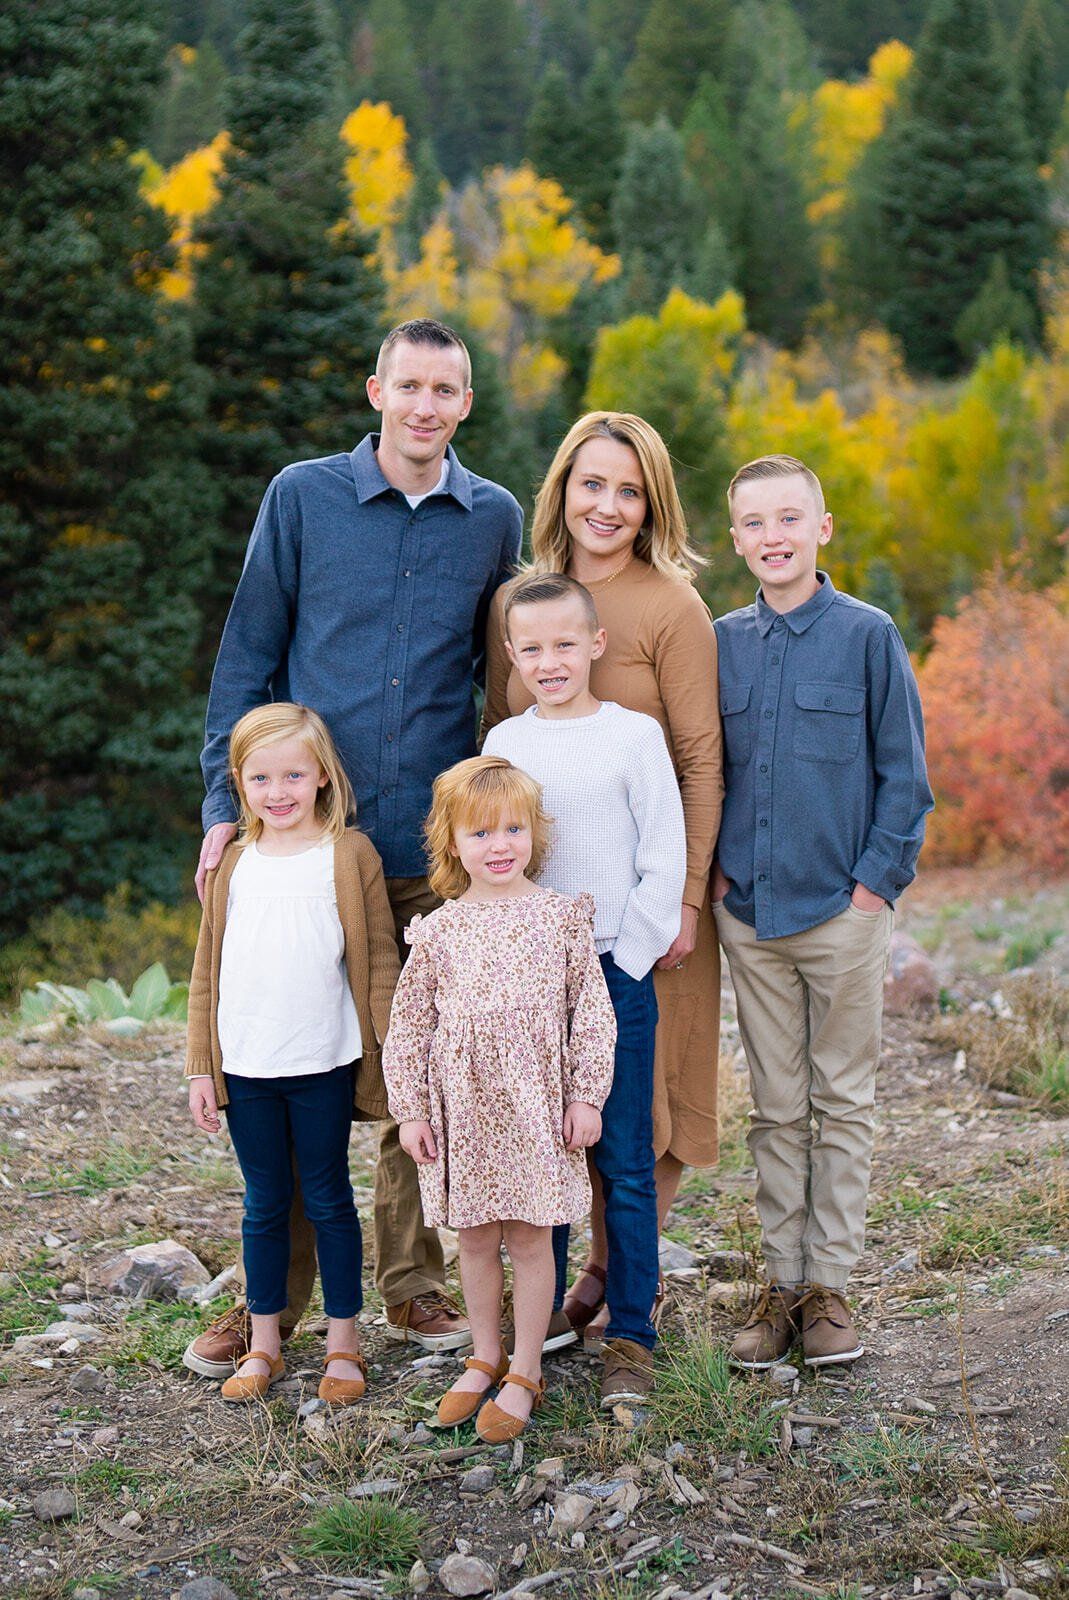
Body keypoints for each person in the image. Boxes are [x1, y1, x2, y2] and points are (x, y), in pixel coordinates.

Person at [183, 318, 523, 1378]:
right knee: (288, 1062)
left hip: (430, 848)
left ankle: (413, 1282)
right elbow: (247, 655)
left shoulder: (492, 517)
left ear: (465, 404)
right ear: (377, 390)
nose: (425, 406)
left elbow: (501, 679)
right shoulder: (303, 497)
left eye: (445, 390)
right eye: (408, 385)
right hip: (308, 848)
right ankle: (272, 1303)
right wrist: (223, 802)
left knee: (416, 1064)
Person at [483, 413, 722, 1347]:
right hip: (540, 928)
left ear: (652, 504)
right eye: (593, 484)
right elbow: (499, 760)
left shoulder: (670, 606)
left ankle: (626, 1290)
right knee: (558, 1102)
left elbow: (699, 760)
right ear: (562, 489)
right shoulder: (524, 600)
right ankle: (576, 1279)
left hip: (646, 910)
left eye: (630, 490)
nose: (609, 506)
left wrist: (684, 901)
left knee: (644, 1103)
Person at [713, 454, 933, 1370]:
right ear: (736, 539)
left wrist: (873, 888)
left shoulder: (867, 635)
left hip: (842, 913)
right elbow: (702, 768)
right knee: (774, 1107)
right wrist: (715, 879)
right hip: (749, 916)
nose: (773, 536)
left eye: (789, 518)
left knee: (841, 1101)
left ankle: (828, 1287)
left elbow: (904, 776)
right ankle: (780, 1283)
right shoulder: (719, 642)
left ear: (821, 528)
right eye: (754, 523)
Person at [483, 573, 686, 1407]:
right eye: (532, 648)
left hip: (613, 970)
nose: (550, 661)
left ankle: (630, 1330)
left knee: (624, 1159)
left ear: (595, 644)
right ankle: (543, 1327)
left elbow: (663, 854)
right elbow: (493, 855)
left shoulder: (632, 736)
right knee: (546, 1156)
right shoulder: (506, 744)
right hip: (530, 981)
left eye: (565, 644)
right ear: (511, 655)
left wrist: (627, 961)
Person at [382, 755, 616, 1440]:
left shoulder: (560, 918)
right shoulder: (438, 930)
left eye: (512, 828)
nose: (499, 845)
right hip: (465, 1107)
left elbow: (591, 1015)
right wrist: (411, 1110)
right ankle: (484, 1353)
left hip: (536, 1104)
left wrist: (585, 1096)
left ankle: (525, 1366)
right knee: (477, 1236)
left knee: (532, 1236)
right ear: (452, 842)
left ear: (534, 833)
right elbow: (409, 1027)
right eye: (480, 833)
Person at [186, 703, 400, 1405]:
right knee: (265, 1204)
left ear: (322, 777)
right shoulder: (232, 863)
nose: (277, 792)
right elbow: (206, 971)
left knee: (330, 1199)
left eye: (293, 776)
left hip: (321, 1062)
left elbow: (378, 962)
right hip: (246, 1065)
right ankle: (265, 1345)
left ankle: (343, 1344)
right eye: (260, 779)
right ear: (239, 784)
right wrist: (200, 1067)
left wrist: (394, 1058)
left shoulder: (349, 854)